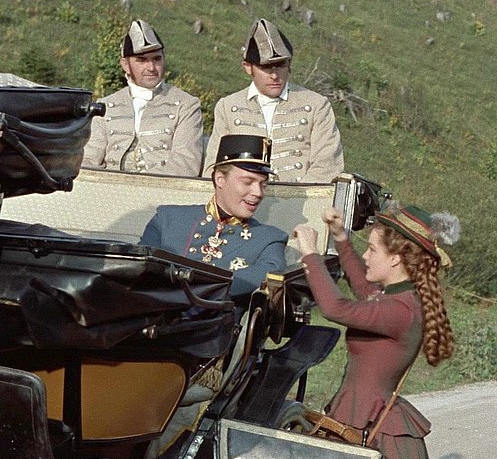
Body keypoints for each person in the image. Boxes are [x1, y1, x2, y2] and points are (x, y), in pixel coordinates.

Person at [290, 203, 459, 459]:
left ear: (395, 259)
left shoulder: (401, 311)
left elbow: (334, 307)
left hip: (370, 429)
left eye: (372, 249)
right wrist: (341, 237)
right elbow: (363, 287)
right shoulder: (396, 298)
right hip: (356, 420)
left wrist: (310, 254)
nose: (366, 256)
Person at [140, 133, 287, 305]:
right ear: (220, 179)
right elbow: (139, 270)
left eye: (264, 184)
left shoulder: (269, 239)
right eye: (248, 182)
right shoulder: (167, 219)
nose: (258, 192)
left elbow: (265, 277)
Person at [204, 18, 344, 183]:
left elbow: (327, 166)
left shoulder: (316, 105)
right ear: (248, 67)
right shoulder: (228, 107)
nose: (274, 75)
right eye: (265, 67)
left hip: (301, 196)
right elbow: (214, 169)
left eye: (281, 65)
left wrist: (296, 196)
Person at [83, 19, 204, 176]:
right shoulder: (106, 105)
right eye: (141, 60)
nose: (151, 67)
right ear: (125, 65)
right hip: (110, 186)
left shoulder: (186, 105)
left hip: (163, 187)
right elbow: (89, 159)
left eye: (157, 59)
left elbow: (186, 164)